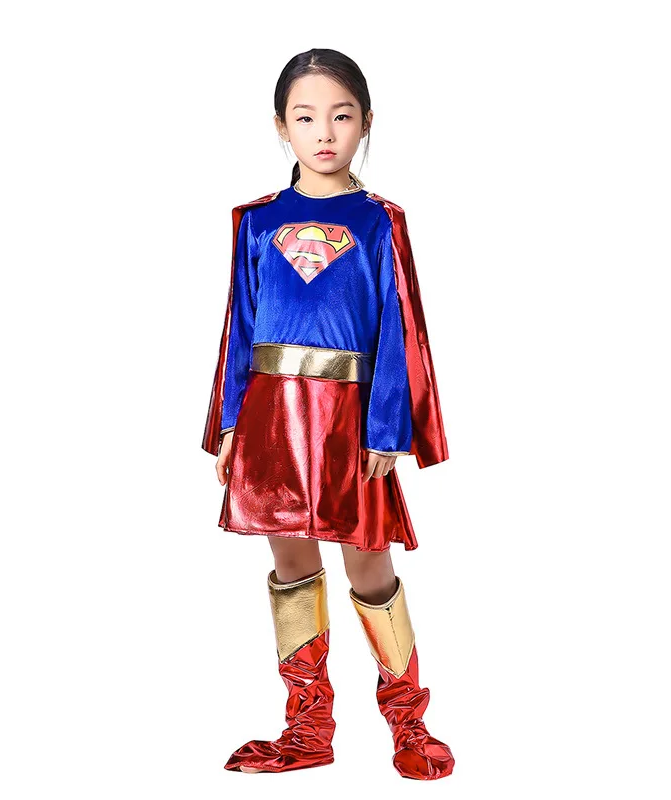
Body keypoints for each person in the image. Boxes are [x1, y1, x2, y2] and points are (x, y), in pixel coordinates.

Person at [201, 48, 454, 780]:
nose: (324, 132)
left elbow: (399, 330)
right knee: (291, 564)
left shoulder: (379, 223)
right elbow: (239, 326)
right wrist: (229, 422)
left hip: (349, 418)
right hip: (271, 417)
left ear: (365, 122)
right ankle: (307, 726)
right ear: (281, 125)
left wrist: (387, 429)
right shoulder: (257, 222)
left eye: (341, 116)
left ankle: (408, 721)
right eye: (306, 117)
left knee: (368, 564)